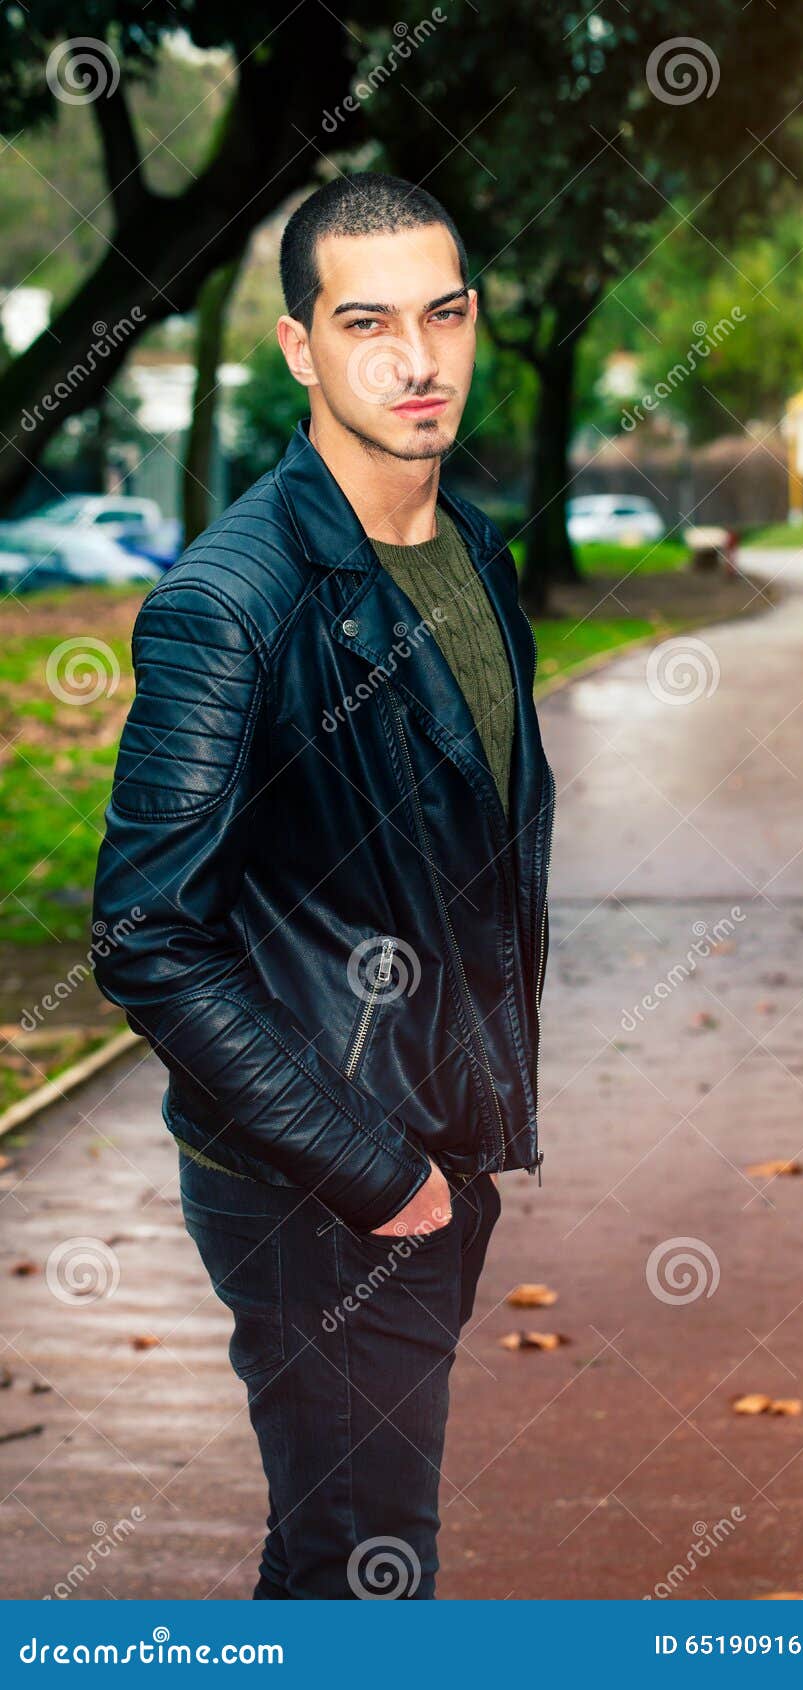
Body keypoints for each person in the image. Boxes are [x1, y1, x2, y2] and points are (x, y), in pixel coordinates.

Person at [91, 172, 554, 1600]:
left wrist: (460, 1156)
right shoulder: (230, 603)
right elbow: (146, 936)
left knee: (334, 1551)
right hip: (318, 1182)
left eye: (443, 314)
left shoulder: (472, 552)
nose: (416, 360)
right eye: (366, 322)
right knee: (372, 1565)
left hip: (439, 1154)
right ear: (301, 348)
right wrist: (381, 1176)